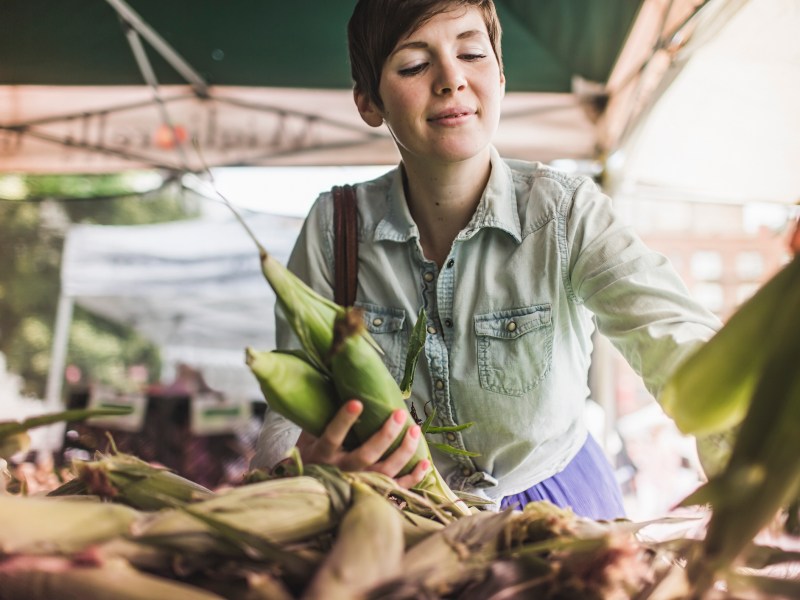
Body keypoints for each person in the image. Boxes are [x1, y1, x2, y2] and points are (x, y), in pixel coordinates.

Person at [252, 0, 721, 519]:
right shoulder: (333, 227)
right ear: (368, 102)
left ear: (501, 76)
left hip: (557, 507)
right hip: (397, 517)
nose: (451, 79)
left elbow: (678, 342)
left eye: (472, 53)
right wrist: (305, 463)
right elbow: (290, 400)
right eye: (414, 64)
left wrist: (747, 436)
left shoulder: (565, 213)